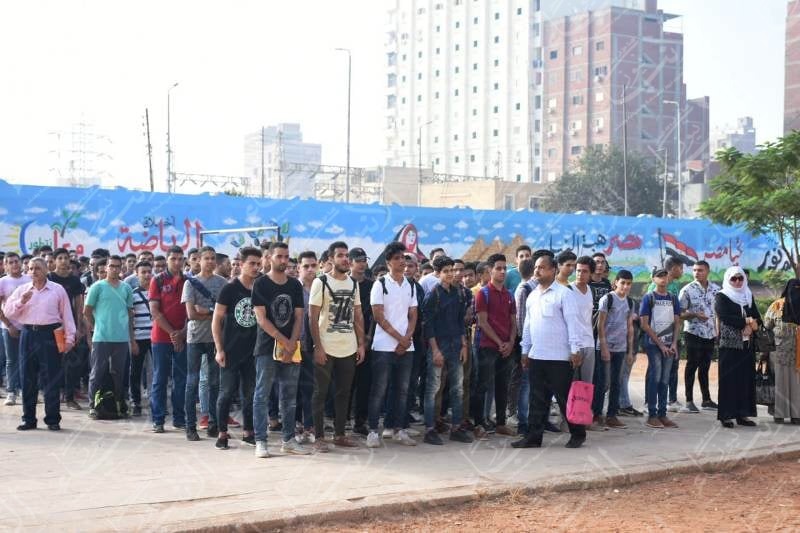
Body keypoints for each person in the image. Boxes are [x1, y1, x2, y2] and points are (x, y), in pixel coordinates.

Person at [512, 255, 586, 449]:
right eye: (536, 267)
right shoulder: (532, 295)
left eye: (542, 267)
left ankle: (578, 434)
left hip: (560, 357)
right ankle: (533, 437)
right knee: (536, 399)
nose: (537, 271)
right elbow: (527, 326)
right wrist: (525, 351)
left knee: (564, 398)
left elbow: (573, 323)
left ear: (553, 270)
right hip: (537, 356)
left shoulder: (564, 294)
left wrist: (575, 350)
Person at [3, 258, 76, 431]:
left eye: (37, 268)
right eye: (30, 268)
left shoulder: (57, 289)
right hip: (28, 334)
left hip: (50, 335)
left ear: (46, 270)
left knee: (51, 378)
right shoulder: (23, 290)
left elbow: (67, 315)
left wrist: (70, 338)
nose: (33, 271)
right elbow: (8, 312)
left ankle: (52, 419)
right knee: (27, 378)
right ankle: (28, 419)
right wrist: (21, 301)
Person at [251, 242, 308, 457]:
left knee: (290, 396)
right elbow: (261, 319)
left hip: (292, 346)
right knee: (262, 394)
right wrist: (285, 342)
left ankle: (288, 440)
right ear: (269, 258)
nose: (284, 260)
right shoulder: (261, 284)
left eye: (286, 256)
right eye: (279, 256)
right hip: (267, 347)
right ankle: (260, 440)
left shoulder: (294, 285)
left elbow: (299, 316)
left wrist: (292, 343)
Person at [309, 241, 366, 450]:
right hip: (326, 346)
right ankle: (319, 437)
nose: (344, 259)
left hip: (348, 347)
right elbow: (312, 317)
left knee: (344, 393)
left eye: (346, 255)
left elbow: (358, 315)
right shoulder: (321, 282)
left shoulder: (353, 284)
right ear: (331, 259)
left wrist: (361, 344)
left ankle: (340, 434)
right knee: (320, 393)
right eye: (340, 255)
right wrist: (318, 347)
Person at [366, 242, 418, 448]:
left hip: (406, 347)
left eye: (403, 257)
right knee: (379, 390)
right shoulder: (380, 284)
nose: (401, 262)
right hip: (383, 346)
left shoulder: (410, 285)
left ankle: (398, 429)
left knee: (403, 390)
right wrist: (399, 338)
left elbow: (413, 314)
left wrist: (407, 338)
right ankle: (372, 431)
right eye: (397, 258)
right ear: (388, 262)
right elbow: (378, 316)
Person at [212, 247, 261, 450]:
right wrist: (219, 349)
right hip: (231, 350)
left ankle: (248, 432)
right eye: (252, 263)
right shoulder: (229, 289)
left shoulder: (260, 288)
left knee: (250, 394)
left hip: (253, 351)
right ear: (241, 264)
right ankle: (222, 433)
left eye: (258, 264)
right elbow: (216, 320)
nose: (256, 267)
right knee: (226, 393)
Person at [421, 255, 472, 445]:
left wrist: (464, 345)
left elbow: (460, 322)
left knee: (457, 388)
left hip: (456, 346)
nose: (451, 274)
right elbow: (428, 326)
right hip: (439, 346)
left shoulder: (458, 293)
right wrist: (435, 350)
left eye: (452, 270)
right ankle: (430, 429)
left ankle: (456, 428)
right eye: (446, 271)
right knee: (433, 388)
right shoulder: (432, 295)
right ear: (438, 273)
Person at [182, 246, 227, 441]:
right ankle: (190, 426)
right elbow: (191, 314)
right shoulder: (190, 283)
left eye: (212, 258)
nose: (210, 261)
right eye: (206, 258)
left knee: (215, 383)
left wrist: (207, 311)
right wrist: (214, 313)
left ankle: (214, 424)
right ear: (198, 260)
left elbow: (225, 313)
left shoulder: (222, 283)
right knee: (192, 382)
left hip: (215, 339)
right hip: (195, 338)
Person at [84, 255, 135, 419]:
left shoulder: (126, 288)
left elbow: (130, 314)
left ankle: (118, 404)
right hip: (101, 338)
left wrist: (132, 339)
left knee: (119, 373)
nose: (114, 269)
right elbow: (86, 311)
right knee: (97, 372)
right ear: (106, 268)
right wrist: (96, 326)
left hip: (121, 339)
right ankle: (93, 405)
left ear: (121, 268)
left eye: (117, 266)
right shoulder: (97, 287)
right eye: (111, 266)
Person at [472, 253, 516, 437]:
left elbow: (513, 322)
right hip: (487, 346)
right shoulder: (483, 293)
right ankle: (478, 424)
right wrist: (500, 343)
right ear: (490, 270)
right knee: (482, 385)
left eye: (504, 268)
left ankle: (501, 423)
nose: (502, 271)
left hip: (506, 348)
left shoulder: (509, 294)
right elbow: (482, 322)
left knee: (502, 386)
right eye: (498, 268)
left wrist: (511, 342)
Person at [148, 245, 188, 433]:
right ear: (167, 260)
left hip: (183, 337)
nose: (177, 262)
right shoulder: (157, 280)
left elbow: (192, 311)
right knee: (160, 379)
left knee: (181, 379)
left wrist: (182, 333)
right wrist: (173, 333)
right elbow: (155, 311)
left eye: (180, 259)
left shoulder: (188, 281)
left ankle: (179, 418)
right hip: (161, 338)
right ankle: (158, 419)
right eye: (173, 259)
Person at [714, 266, 760, 428]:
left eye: (740, 278)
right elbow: (725, 316)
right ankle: (726, 415)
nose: (738, 281)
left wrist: (753, 325)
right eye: (734, 278)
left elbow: (756, 315)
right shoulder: (722, 296)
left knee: (745, 379)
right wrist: (746, 322)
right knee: (729, 379)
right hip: (730, 344)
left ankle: (743, 414)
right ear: (728, 279)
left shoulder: (748, 295)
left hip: (747, 344)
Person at [639, 268, 681, 429]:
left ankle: (663, 414)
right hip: (653, 345)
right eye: (659, 276)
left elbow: (677, 322)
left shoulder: (673, 298)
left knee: (665, 379)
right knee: (655, 378)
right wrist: (661, 344)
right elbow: (644, 325)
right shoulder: (648, 298)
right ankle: (652, 415)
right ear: (653, 279)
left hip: (669, 345)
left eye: (665, 276)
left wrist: (674, 343)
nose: (663, 279)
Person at [595, 269, 635, 429]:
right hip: (604, 347)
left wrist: (630, 351)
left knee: (616, 382)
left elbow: (630, 327)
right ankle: (597, 414)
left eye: (628, 283)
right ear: (616, 282)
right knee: (601, 382)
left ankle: (612, 415)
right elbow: (600, 325)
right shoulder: (607, 299)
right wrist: (603, 346)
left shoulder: (630, 302)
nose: (625, 286)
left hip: (620, 348)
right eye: (623, 283)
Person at [678, 260, 720, 412]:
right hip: (693, 332)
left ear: (708, 271)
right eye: (695, 270)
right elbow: (680, 313)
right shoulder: (687, 290)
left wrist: (718, 331)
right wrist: (695, 314)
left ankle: (706, 400)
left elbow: (718, 313)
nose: (697, 273)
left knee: (705, 367)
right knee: (692, 365)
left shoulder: (716, 290)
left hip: (710, 333)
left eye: (700, 270)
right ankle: (689, 401)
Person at [48, 248, 86, 411]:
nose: (64, 261)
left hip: (69, 327)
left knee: (71, 363)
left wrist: (79, 326)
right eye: (60, 258)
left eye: (66, 258)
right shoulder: (49, 278)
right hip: (51, 326)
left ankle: (70, 397)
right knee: (52, 362)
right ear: (54, 261)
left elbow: (78, 306)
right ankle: (53, 397)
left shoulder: (75, 281)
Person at [763, 279, 800, 424]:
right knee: (780, 381)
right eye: (794, 288)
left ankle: (797, 415)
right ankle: (779, 414)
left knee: (797, 383)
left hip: (798, 353)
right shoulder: (777, 305)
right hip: (779, 352)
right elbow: (767, 325)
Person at [348, 247, 374, 437]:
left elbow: (375, 314)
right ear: (350, 262)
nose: (362, 264)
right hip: (345, 340)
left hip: (367, 341)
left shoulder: (372, 286)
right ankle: (341, 420)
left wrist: (368, 337)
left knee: (364, 384)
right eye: (358, 260)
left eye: (364, 260)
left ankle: (360, 421)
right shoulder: (343, 284)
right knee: (345, 384)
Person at [571, 256, 599, 430]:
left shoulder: (591, 291)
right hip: (574, 345)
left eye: (584, 271)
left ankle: (583, 418)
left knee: (586, 385)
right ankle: (569, 420)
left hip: (589, 342)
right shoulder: (568, 290)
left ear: (591, 273)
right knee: (572, 384)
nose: (580, 274)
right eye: (578, 270)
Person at [0, 252, 30, 406]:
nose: (14, 264)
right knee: (11, 360)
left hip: (29, 327)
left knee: (28, 360)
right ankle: (11, 392)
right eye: (10, 262)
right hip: (9, 327)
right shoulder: (3, 282)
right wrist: (9, 325)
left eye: (16, 261)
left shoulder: (29, 279)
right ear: (5, 266)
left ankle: (26, 390)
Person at [295, 251, 318, 442]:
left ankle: (309, 426)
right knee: (292, 388)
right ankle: (295, 426)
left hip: (315, 346)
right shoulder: (292, 288)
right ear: (298, 268)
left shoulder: (322, 288)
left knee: (310, 387)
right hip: (294, 345)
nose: (310, 269)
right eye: (306, 266)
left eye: (313, 266)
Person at [130, 260, 153, 416]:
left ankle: (155, 400)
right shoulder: (132, 295)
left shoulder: (157, 292)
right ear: (136, 274)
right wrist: (132, 341)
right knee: (135, 371)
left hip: (156, 338)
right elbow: (129, 319)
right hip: (139, 338)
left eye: (148, 272)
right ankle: (136, 402)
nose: (146, 275)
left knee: (156, 371)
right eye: (143, 272)